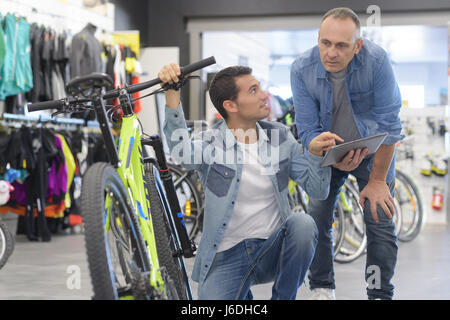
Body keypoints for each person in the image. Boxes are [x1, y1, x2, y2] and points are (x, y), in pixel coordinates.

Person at [159, 63, 341, 299]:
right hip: (225, 256)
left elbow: (317, 190)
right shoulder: (211, 142)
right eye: (253, 90)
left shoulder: (280, 138)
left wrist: (317, 156)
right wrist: (172, 93)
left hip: (271, 249)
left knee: (303, 224)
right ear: (230, 105)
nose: (264, 95)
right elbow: (181, 151)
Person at [290, 7, 403, 300]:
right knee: (317, 216)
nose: (331, 52)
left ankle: (379, 294)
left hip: (372, 154)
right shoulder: (301, 68)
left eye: (341, 45)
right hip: (329, 154)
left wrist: (377, 182)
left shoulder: (376, 62)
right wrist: (320, 148)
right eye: (325, 43)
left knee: (379, 217)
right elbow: (307, 131)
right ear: (318, 39)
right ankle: (322, 288)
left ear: (358, 46)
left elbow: (391, 126)